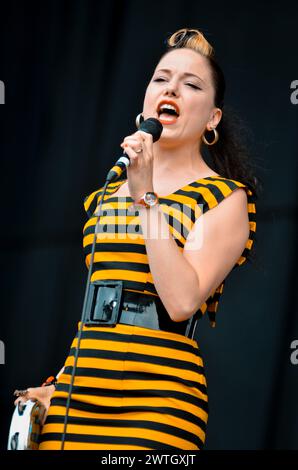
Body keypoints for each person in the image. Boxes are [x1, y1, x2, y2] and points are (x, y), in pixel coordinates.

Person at [14, 27, 258, 450]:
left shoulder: (225, 198)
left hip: (158, 403)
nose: (173, 90)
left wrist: (147, 198)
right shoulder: (108, 190)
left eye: (191, 84)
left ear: (213, 118)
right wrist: (59, 383)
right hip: (79, 390)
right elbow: (102, 304)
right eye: (162, 79)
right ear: (145, 103)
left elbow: (181, 301)